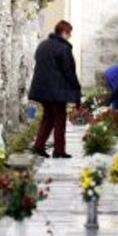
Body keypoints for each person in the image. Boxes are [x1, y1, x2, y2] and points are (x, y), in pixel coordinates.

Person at [28, 20, 81, 158]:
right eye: (69, 33)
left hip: (41, 89)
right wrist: (76, 88)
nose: (70, 36)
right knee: (59, 119)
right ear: (64, 32)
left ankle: (39, 146)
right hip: (56, 90)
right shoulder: (63, 48)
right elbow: (68, 71)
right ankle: (59, 150)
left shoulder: (43, 45)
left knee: (48, 117)